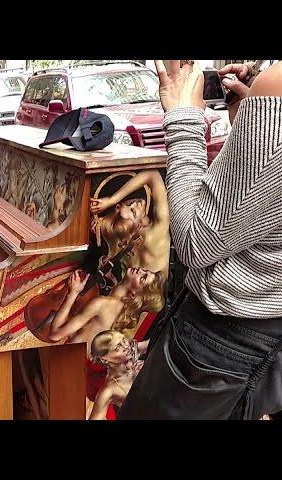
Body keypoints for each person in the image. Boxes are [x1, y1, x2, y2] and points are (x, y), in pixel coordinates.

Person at [118, 60, 282, 420]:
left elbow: (197, 239)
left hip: (224, 345)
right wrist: (250, 118)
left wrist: (182, 118)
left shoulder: (278, 83)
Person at [47, 267, 164, 353]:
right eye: (145, 271)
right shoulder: (120, 311)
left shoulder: (103, 304)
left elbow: (55, 335)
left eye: (142, 278)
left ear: (134, 295)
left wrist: (73, 293)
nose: (140, 270)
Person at [89, 330, 148, 420]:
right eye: (117, 348)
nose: (126, 347)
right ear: (104, 359)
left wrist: (149, 365)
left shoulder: (135, 350)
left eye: (124, 340)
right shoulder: (109, 390)